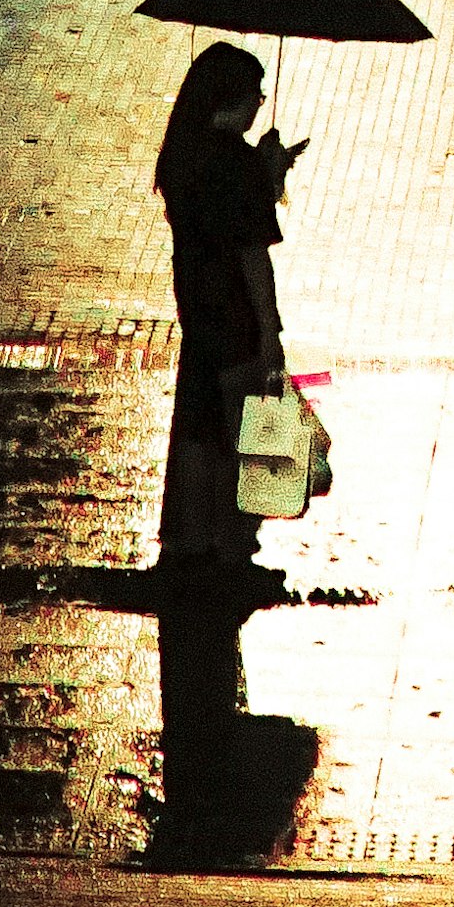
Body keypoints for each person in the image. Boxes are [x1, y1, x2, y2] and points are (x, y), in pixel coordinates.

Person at [152, 41, 299, 586]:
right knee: (240, 427)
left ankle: (188, 537)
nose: (261, 104)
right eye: (255, 95)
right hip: (234, 308)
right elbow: (251, 251)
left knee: (199, 419)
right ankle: (230, 544)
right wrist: (270, 329)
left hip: (196, 300)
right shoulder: (236, 164)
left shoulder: (181, 154)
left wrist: (265, 175)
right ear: (234, 100)